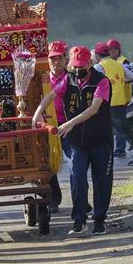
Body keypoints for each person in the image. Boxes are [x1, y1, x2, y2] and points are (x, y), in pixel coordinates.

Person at [33, 46, 113, 236]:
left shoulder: (101, 82)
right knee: (77, 177)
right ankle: (79, 220)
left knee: (101, 181)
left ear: (90, 63)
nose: (78, 70)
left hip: (101, 140)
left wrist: (70, 123)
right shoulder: (67, 81)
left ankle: (99, 220)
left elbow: (94, 109)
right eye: (74, 66)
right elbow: (50, 96)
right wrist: (37, 114)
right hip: (77, 142)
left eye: (81, 66)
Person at [95, 39, 133, 166]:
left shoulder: (98, 67)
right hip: (119, 101)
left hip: (107, 102)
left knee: (119, 129)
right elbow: (131, 77)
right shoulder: (118, 64)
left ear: (97, 55)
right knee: (121, 129)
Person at [46, 40, 69, 214]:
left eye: (58, 58)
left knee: (75, 163)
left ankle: (80, 198)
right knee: (49, 163)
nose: (55, 62)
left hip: (69, 124)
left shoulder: (72, 78)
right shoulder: (43, 78)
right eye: (52, 59)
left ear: (65, 58)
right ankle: (54, 199)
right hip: (49, 126)